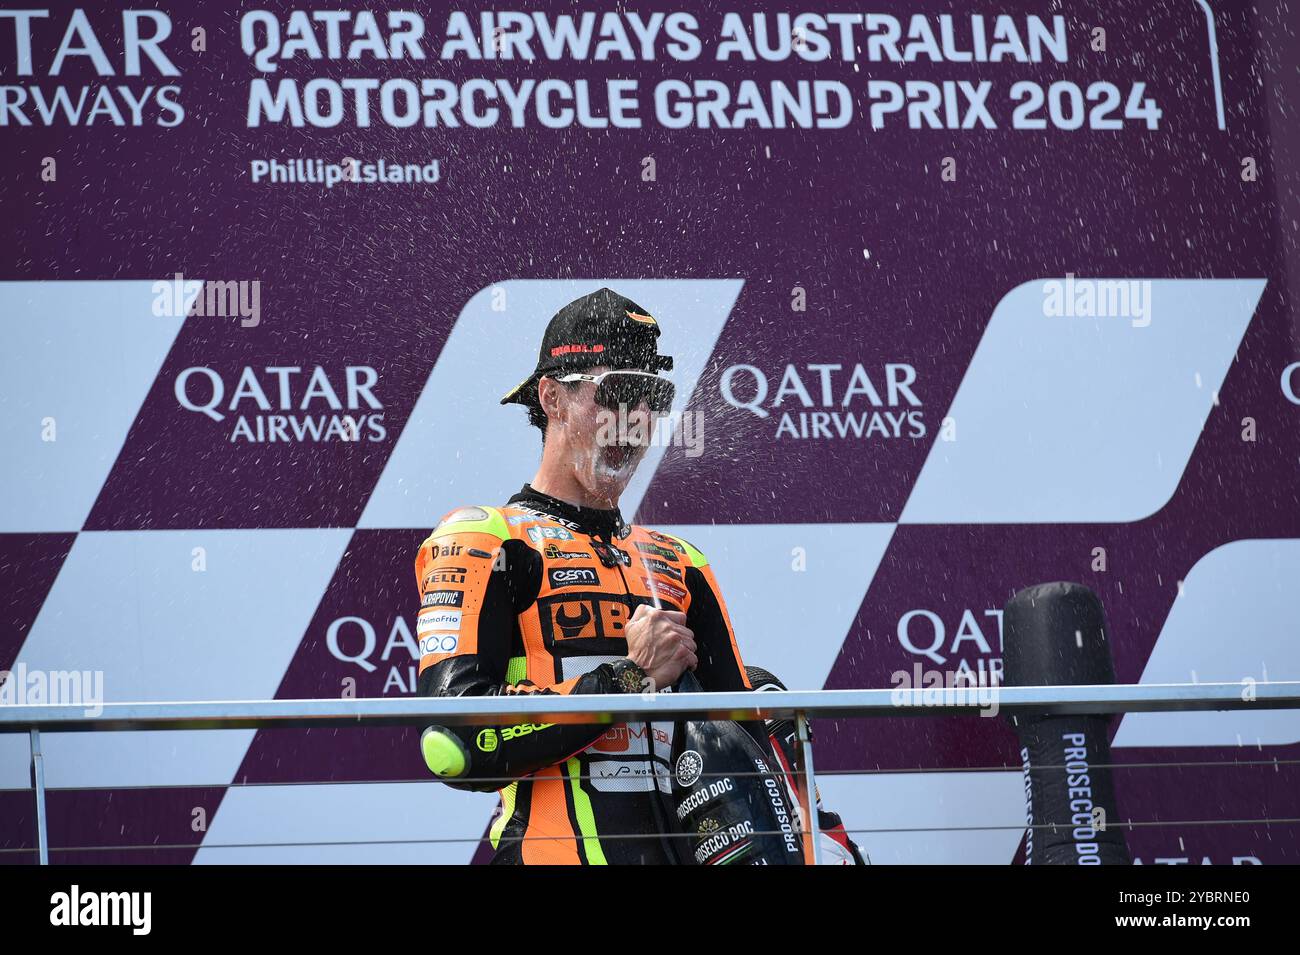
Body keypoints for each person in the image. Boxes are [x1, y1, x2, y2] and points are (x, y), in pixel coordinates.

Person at [414, 287, 765, 864]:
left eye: (652, 398)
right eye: (618, 395)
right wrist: (627, 681)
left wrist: (824, 827)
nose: (635, 421)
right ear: (552, 398)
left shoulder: (680, 561)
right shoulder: (487, 539)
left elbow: (746, 748)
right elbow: (454, 741)